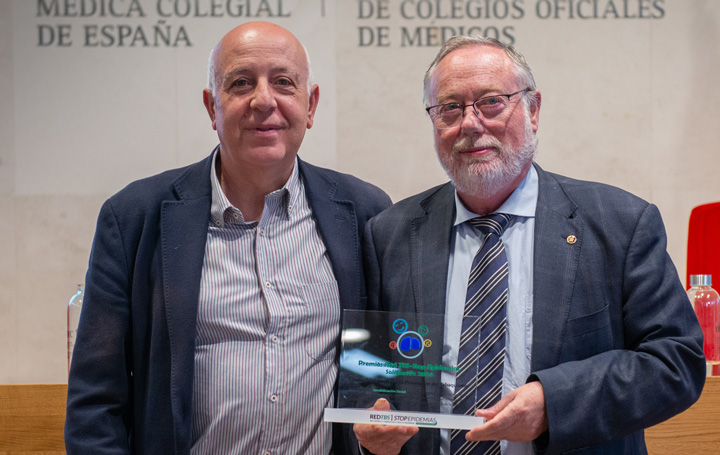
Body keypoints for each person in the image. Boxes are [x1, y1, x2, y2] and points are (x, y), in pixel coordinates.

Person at [353, 35, 706, 455]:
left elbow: (676, 362)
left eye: (491, 102)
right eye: (450, 108)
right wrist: (368, 428)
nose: (470, 123)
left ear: (533, 109)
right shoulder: (390, 233)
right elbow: (369, 375)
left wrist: (553, 403)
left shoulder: (621, 223)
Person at [65, 21, 391, 454]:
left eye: (283, 82)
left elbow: (373, 369)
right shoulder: (133, 218)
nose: (263, 100)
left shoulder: (364, 212)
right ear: (211, 107)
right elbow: (95, 402)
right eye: (241, 83)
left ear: (310, 105)